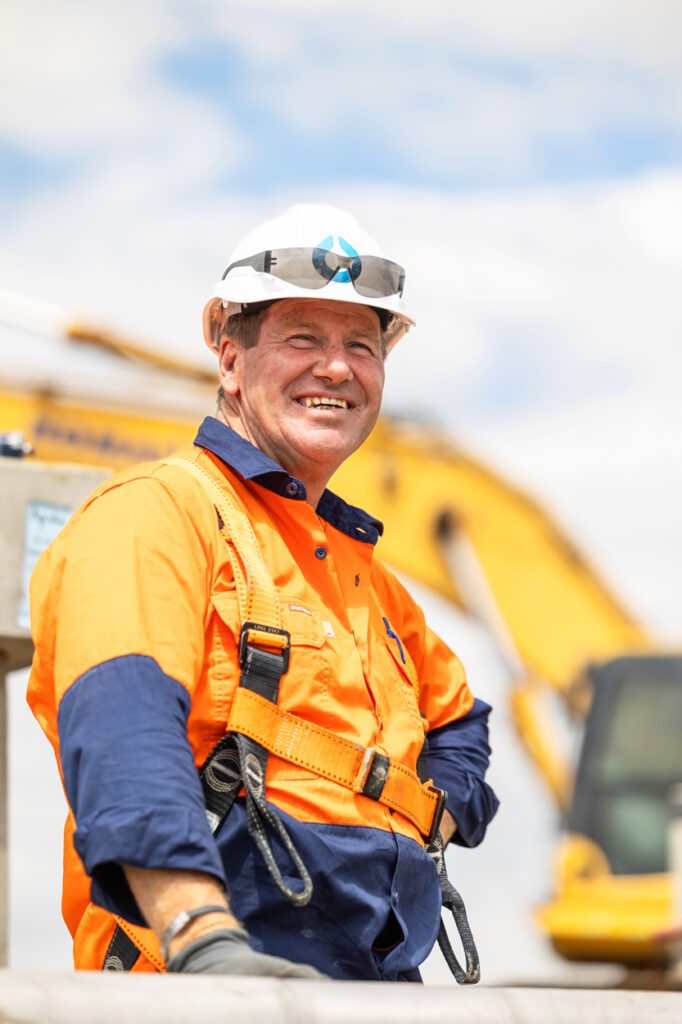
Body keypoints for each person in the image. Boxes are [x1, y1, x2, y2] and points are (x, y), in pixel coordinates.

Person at [28, 204, 499, 982]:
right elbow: (123, 734)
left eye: (361, 345)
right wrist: (202, 938)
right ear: (229, 356)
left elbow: (460, 722)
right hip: (201, 983)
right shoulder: (157, 515)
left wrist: (431, 811)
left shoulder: (371, 584)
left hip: (372, 987)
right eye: (302, 340)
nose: (337, 368)